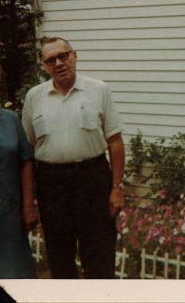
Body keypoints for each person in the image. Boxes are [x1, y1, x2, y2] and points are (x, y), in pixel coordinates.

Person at [22, 37, 125, 279]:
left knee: (99, 254)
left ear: (74, 56)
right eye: (51, 60)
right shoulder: (34, 97)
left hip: (93, 179)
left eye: (63, 56)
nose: (58, 63)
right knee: (59, 256)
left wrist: (117, 187)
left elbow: (115, 141)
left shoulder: (99, 90)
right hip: (51, 184)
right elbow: (28, 149)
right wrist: (29, 200)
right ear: (45, 66)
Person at [0, 58, 37, 279]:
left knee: (17, 273)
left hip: (10, 215)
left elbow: (26, 161)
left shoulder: (10, 120)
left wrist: (28, 205)